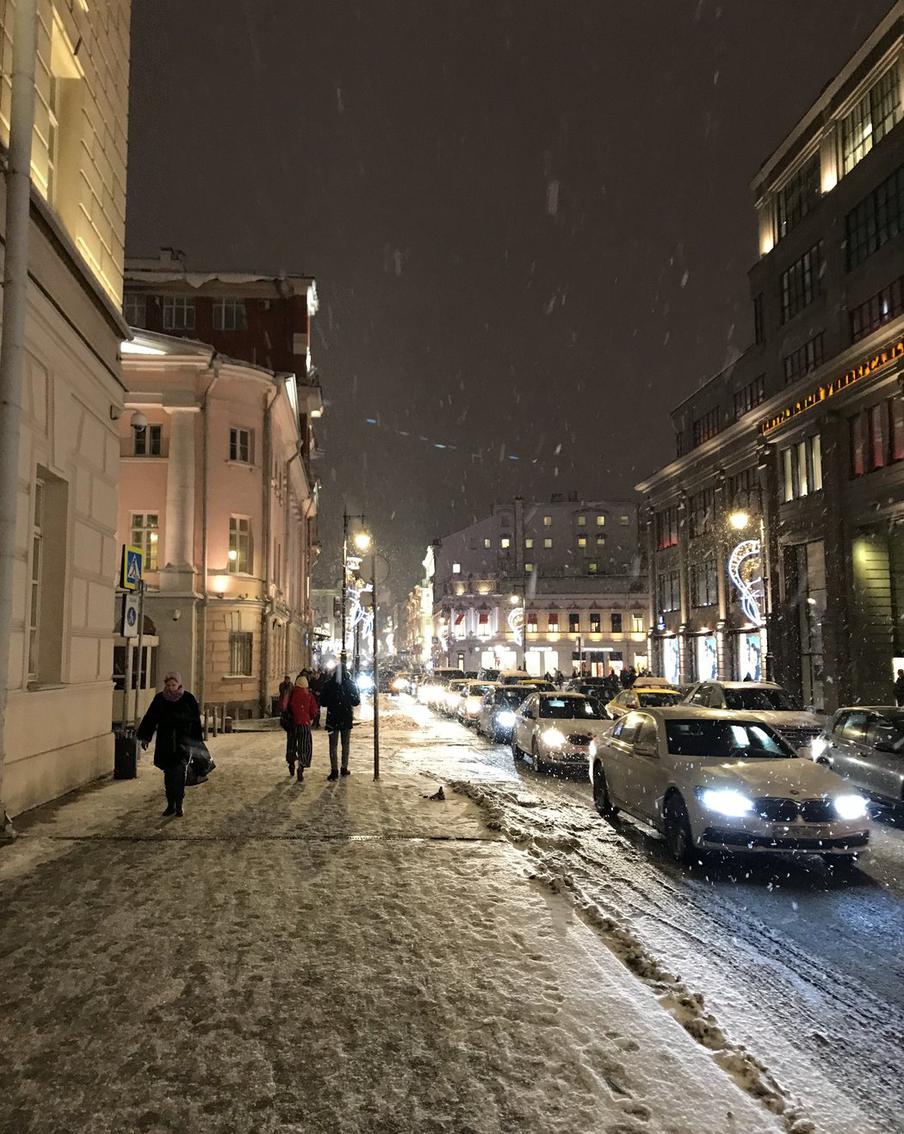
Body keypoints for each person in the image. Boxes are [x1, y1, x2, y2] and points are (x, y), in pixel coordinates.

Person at [136, 671, 203, 817]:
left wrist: (196, 741)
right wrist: (145, 737)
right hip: (165, 742)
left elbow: (195, 720)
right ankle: (170, 804)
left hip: (182, 742)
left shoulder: (187, 698)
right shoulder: (160, 699)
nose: (171, 688)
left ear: (179, 684)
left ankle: (178, 804)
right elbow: (151, 718)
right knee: (168, 774)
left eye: (174, 685)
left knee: (179, 773)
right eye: (168, 685)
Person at [319, 655, 360, 780]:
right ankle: (344, 767)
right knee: (345, 744)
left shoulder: (328, 685)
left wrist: (333, 702)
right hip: (346, 717)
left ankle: (334, 770)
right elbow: (356, 701)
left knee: (333, 745)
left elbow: (323, 702)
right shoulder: (350, 684)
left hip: (333, 718)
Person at [283, 674, 319, 781]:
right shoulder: (309, 695)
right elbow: (314, 711)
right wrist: (309, 717)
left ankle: (291, 762)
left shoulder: (291, 694)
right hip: (304, 724)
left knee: (291, 744)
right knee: (304, 746)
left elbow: (283, 706)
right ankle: (301, 766)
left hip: (292, 724)